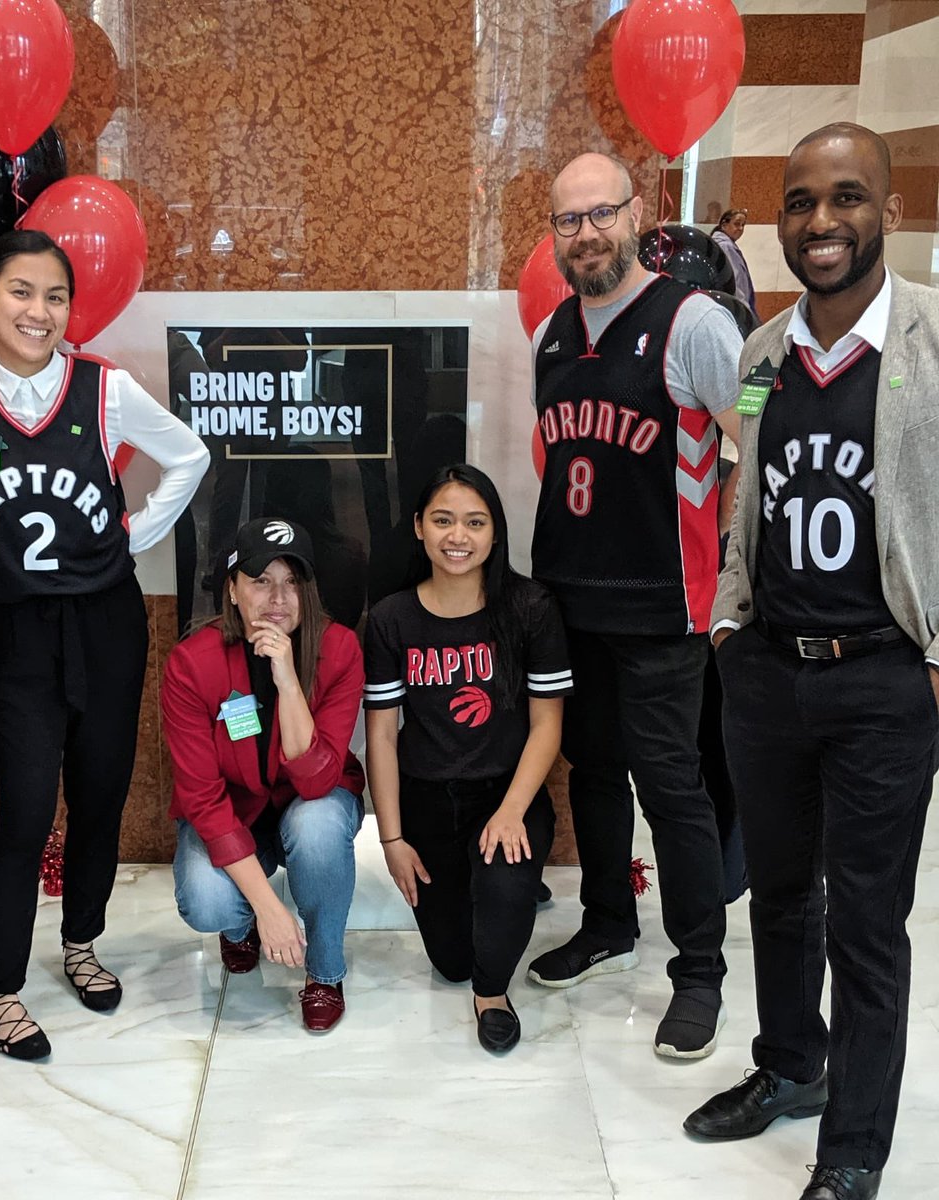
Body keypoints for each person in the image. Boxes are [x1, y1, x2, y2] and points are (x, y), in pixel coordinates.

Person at [684, 124, 939, 1200]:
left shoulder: (929, 341)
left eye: (846, 198)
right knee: (780, 896)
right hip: (770, 672)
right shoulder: (760, 357)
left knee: (869, 923)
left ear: (886, 206)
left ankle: (853, 1151)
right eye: (800, 202)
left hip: (884, 678)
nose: (822, 223)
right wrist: (732, 624)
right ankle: (790, 1067)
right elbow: (748, 493)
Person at [0, 229, 208, 1058]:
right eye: (22, 291)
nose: (39, 310)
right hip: (10, 630)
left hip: (104, 623)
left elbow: (189, 455)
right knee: (26, 809)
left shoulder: (102, 388)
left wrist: (132, 536)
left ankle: (81, 942)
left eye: (55, 296)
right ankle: (0, 988)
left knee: (98, 797)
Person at [526, 152, 744, 1059]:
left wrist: (735, 583)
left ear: (636, 215)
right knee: (593, 773)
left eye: (601, 214)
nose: (586, 234)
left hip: (664, 606)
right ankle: (609, 921)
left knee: (671, 788)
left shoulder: (694, 323)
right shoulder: (548, 335)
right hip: (574, 603)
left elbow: (755, 448)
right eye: (568, 221)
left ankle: (699, 972)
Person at [363, 464, 570, 1053]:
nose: (459, 536)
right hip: (429, 800)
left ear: (495, 533)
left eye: (475, 522)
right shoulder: (391, 620)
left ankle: (492, 996)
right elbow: (381, 736)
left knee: (489, 940)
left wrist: (509, 812)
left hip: (508, 793)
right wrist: (393, 840)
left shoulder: (530, 607)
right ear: (419, 530)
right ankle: (495, 893)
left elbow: (546, 724)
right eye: (444, 520)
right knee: (451, 960)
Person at [162, 517, 364, 1033]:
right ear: (231, 589)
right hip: (232, 814)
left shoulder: (339, 650)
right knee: (207, 902)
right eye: (260, 580)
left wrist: (289, 681)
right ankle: (242, 922)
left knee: (316, 824)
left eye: (293, 581)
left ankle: (324, 972)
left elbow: (317, 780)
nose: (278, 597)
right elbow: (203, 801)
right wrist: (268, 907)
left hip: (308, 803)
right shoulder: (192, 664)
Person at [710, 208, 758, 315]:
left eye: (743, 225)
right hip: (735, 308)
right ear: (724, 225)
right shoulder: (725, 247)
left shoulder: (722, 245)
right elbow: (735, 281)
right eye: (737, 224)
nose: (740, 228)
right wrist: (744, 312)